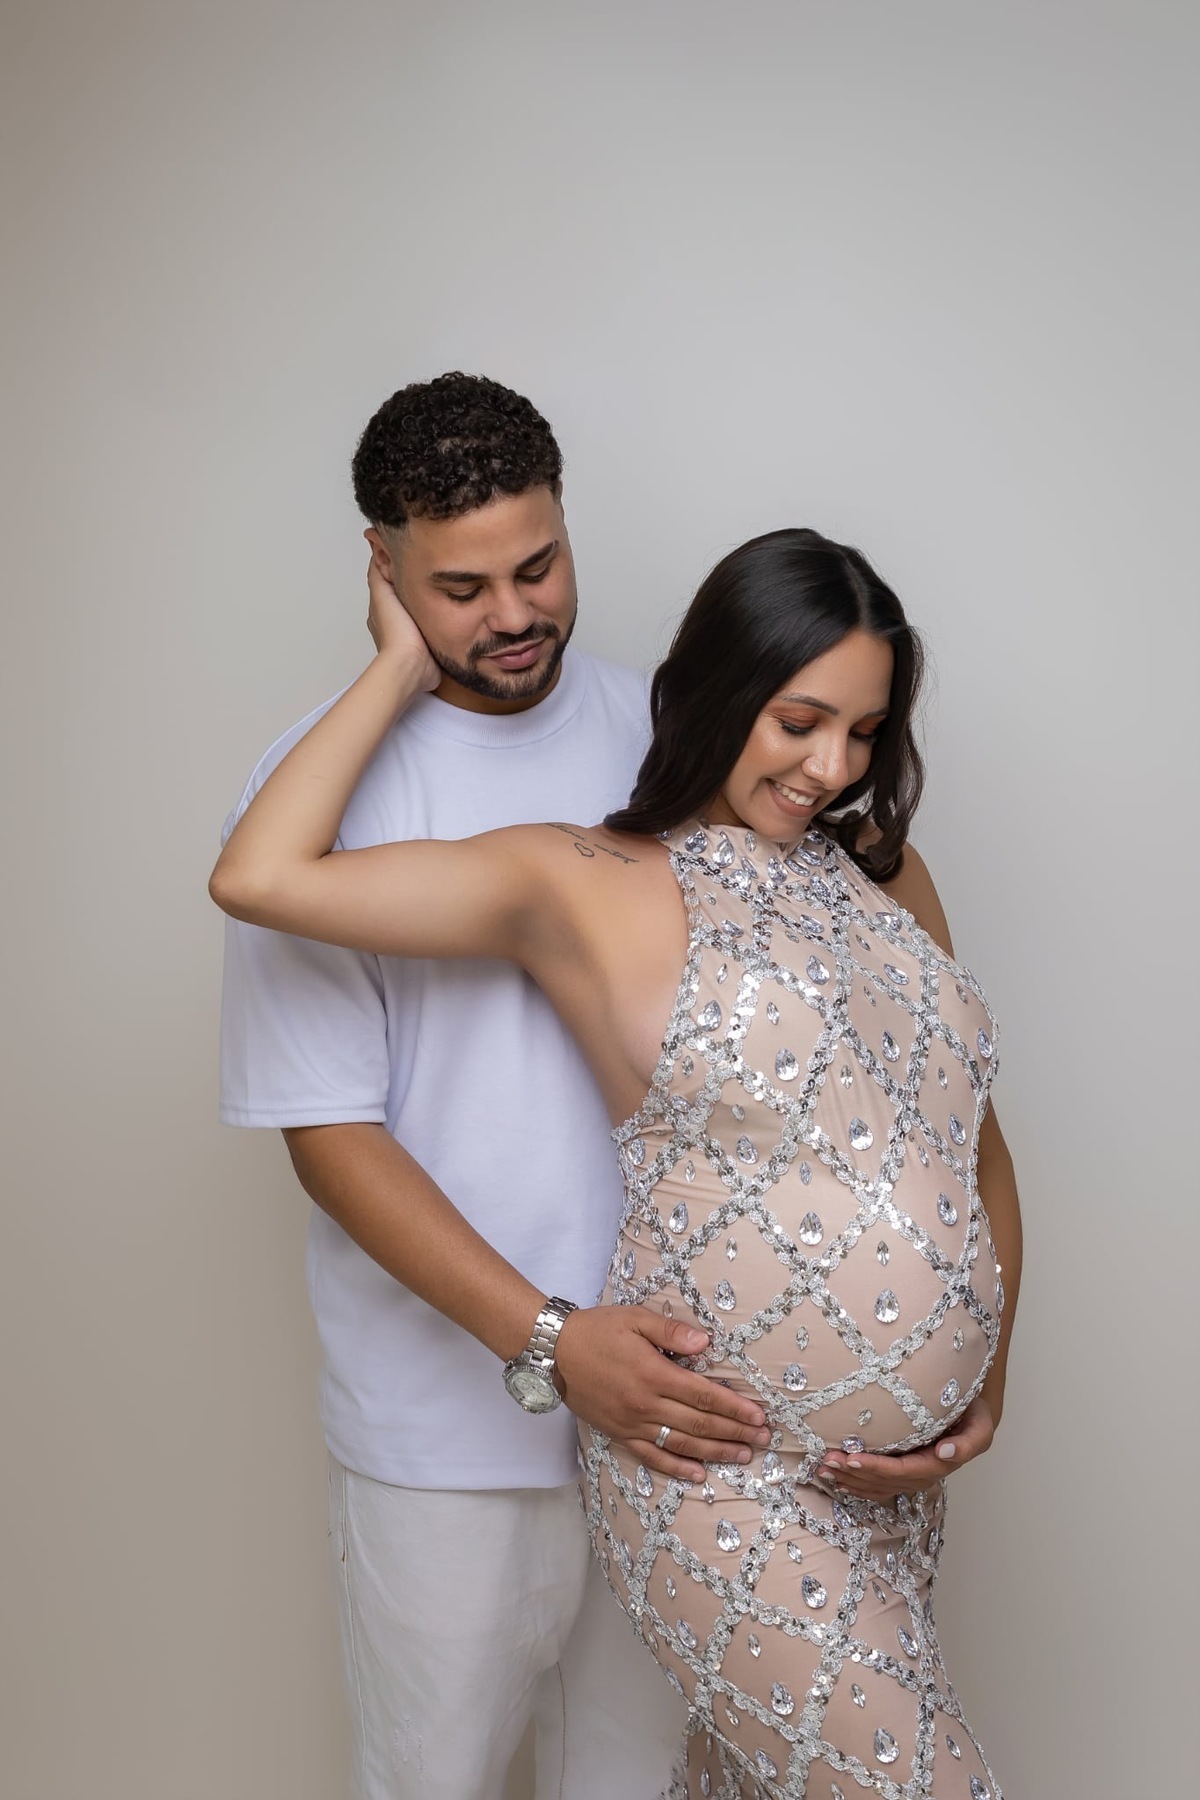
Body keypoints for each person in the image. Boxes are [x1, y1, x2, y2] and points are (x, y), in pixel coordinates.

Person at [212, 525, 1022, 1800]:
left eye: (864, 733)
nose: (830, 767)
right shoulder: (581, 877)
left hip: (882, 1490)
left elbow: (969, 1150)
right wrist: (394, 666)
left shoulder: (887, 873)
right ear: (715, 687)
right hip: (718, 1474)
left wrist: (982, 1371)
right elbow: (257, 877)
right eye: (799, 720)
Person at [218, 373, 770, 1800]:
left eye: (539, 565)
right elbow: (329, 1137)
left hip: (680, 1410)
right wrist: (550, 1341)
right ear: (383, 572)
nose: (514, 614)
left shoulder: (678, 734)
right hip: (442, 1439)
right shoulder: (314, 796)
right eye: (458, 588)